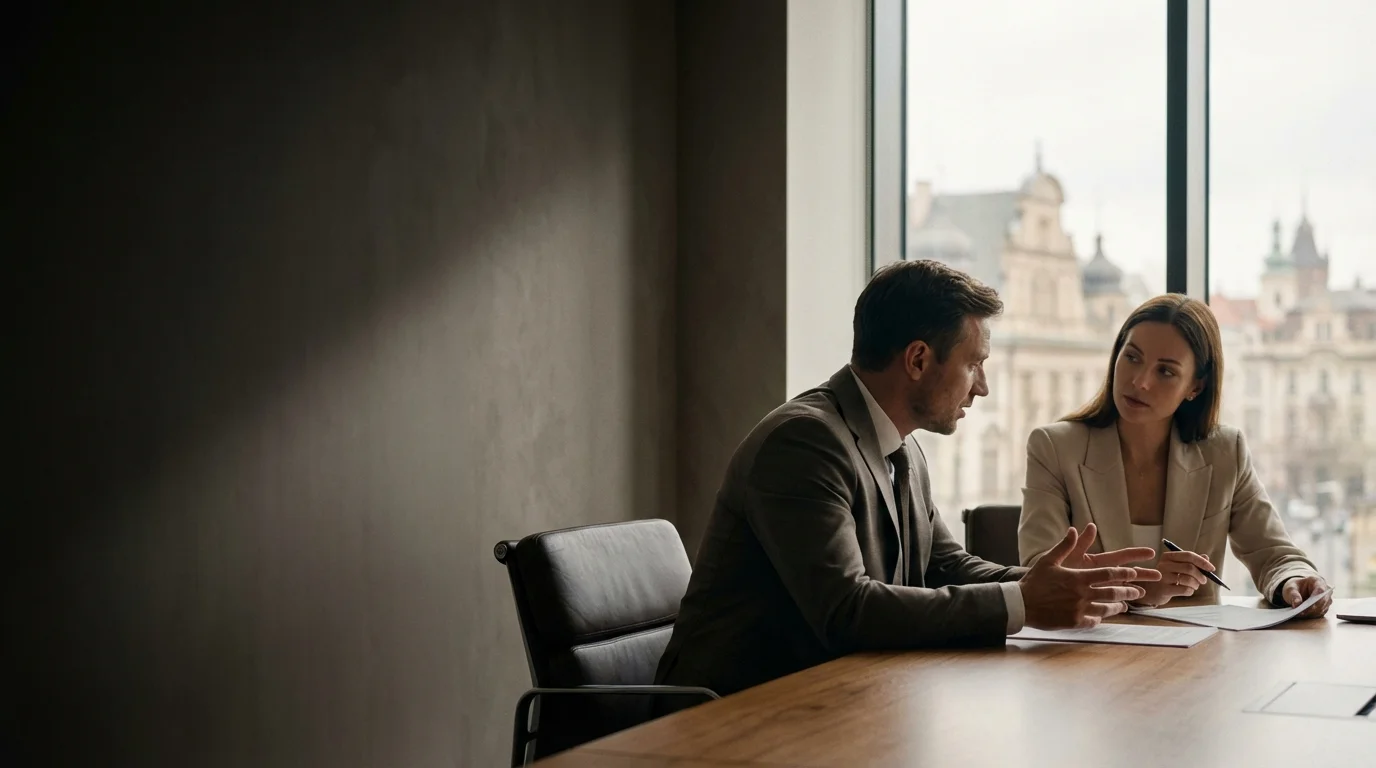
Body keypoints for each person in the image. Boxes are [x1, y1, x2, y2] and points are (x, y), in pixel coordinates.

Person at [654, 260, 1160, 701]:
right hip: (732, 715)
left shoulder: (903, 446)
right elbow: (847, 610)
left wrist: (1081, 586)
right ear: (918, 359)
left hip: (841, 698)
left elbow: (945, 565)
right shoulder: (804, 443)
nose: (982, 387)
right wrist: (1025, 602)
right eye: (974, 365)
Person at [1019, 294, 1332, 616]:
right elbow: (1038, 576)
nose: (1140, 381)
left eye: (1165, 372)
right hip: (1085, 641)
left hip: (1197, 644)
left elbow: (1274, 553)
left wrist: (1296, 580)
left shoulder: (1225, 451)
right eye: (1132, 357)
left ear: (1195, 387)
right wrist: (1142, 592)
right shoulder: (1055, 448)